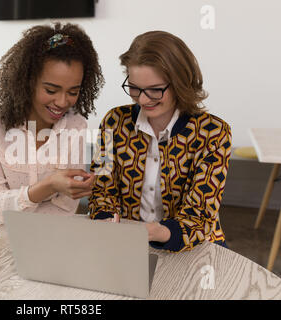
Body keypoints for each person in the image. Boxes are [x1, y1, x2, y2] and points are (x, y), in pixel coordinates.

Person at [0, 23, 104, 228]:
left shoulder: (76, 127)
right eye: (51, 90)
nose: (62, 102)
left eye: (72, 92)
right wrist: (49, 186)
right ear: (27, 81)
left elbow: (65, 211)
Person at [89, 31, 231, 252]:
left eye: (155, 90)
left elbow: (200, 215)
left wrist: (155, 232)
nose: (143, 99)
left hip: (193, 248)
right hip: (126, 243)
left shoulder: (213, 132)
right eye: (135, 88)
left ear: (181, 83)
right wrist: (107, 220)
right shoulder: (113, 121)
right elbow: (102, 189)